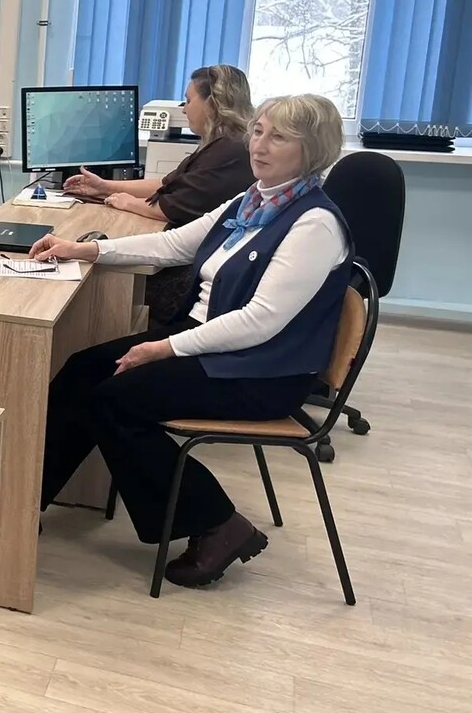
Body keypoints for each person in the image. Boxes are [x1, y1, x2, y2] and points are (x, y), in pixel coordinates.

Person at [32, 94, 351, 589]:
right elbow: (174, 243)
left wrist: (163, 348)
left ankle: (218, 524)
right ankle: (25, 501)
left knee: (113, 401)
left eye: (279, 137)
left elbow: (260, 321)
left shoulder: (314, 224)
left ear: (312, 149)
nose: (259, 145)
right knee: (82, 369)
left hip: (259, 371)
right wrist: (85, 248)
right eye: (258, 131)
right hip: (209, 345)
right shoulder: (253, 201)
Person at [66, 65, 256, 317]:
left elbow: (170, 208)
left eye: (188, 101)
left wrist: (127, 202)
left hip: (188, 278)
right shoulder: (221, 144)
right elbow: (166, 184)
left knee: (104, 277)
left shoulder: (229, 151)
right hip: (198, 259)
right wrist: (105, 186)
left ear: (212, 103)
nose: (184, 109)